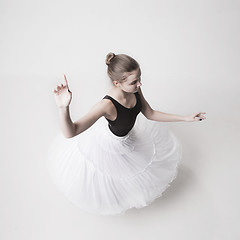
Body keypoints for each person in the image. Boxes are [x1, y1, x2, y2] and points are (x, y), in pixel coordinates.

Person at [47, 52, 206, 216]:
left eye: (139, 78)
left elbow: (150, 113)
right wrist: (63, 107)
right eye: (134, 82)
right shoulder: (106, 106)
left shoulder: (134, 90)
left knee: (138, 170)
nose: (139, 84)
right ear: (117, 83)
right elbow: (70, 132)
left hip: (128, 138)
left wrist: (185, 118)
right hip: (109, 145)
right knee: (109, 178)